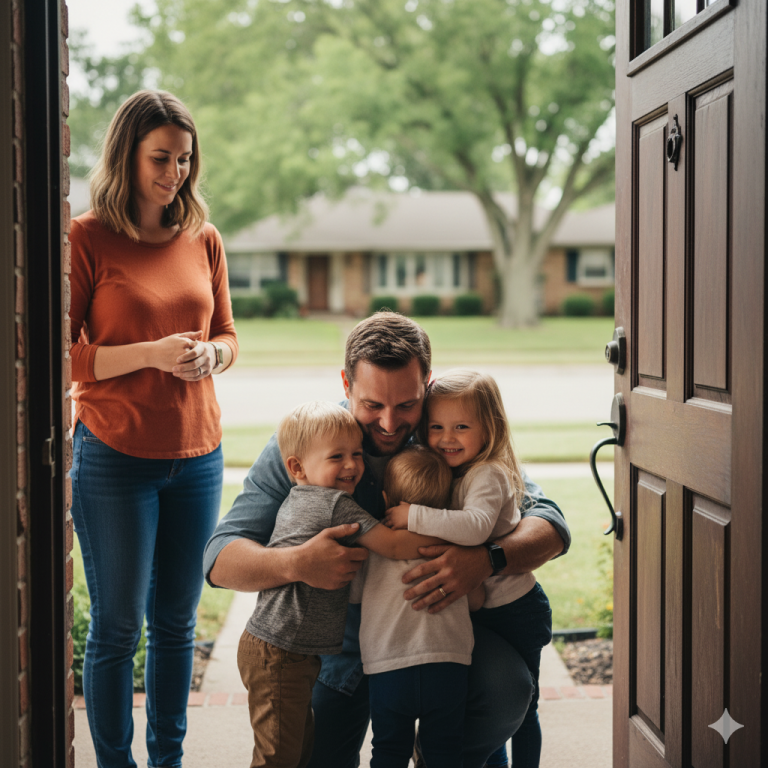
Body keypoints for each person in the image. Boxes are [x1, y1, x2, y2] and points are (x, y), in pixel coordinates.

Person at [203, 311, 570, 768]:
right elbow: (220, 558)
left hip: (439, 634)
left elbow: (549, 523)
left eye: (407, 405)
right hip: (338, 647)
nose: (392, 423)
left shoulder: (449, 433)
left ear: (427, 386)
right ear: (346, 383)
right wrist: (296, 563)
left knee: (507, 691)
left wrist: (487, 559)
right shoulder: (309, 443)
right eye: (373, 405)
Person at [69, 90, 238, 768]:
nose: (174, 174)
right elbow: (62, 356)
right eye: (161, 159)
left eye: (185, 160)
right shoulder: (86, 238)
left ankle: (168, 760)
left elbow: (227, 334)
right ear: (127, 157)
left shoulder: (204, 236)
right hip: (113, 455)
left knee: (176, 625)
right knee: (117, 627)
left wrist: (209, 356)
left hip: (198, 455)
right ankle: (116, 763)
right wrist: (150, 354)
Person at [237, 402, 447, 768]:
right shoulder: (335, 505)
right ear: (296, 467)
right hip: (281, 651)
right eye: (337, 457)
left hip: (279, 647)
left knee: (298, 750)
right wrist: (450, 539)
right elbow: (394, 546)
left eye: (356, 454)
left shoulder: (297, 497)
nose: (352, 465)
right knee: (278, 757)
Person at [384, 370, 553, 768]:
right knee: (487, 708)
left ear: (489, 428)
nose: (447, 438)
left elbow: (475, 528)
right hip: (485, 609)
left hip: (516, 611)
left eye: (461, 427)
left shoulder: (488, 474)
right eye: (436, 426)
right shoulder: (454, 470)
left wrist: (413, 515)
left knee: (523, 707)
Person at [354, 445, 484, 768]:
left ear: (386, 500)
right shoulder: (454, 551)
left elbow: (354, 595)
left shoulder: (374, 550)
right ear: (443, 505)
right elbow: (477, 600)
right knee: (444, 752)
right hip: (448, 663)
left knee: (387, 751)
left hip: (388, 665)